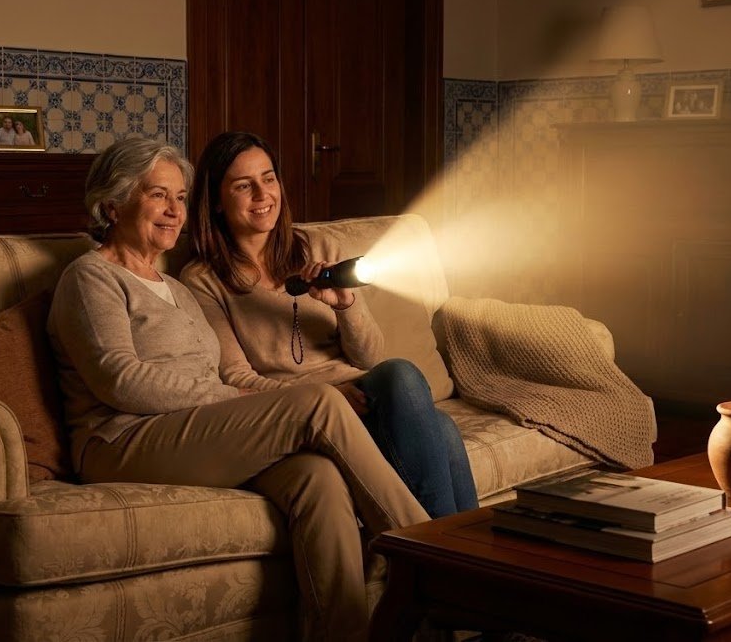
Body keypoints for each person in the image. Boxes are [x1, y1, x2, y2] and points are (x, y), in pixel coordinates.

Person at [47, 137, 427, 642]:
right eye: (158, 195)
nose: (173, 210)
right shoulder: (90, 277)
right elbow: (119, 379)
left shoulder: (176, 289)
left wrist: (241, 400)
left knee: (317, 478)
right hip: (120, 440)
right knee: (316, 402)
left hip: (187, 432)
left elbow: (215, 375)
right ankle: (432, 557)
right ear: (113, 204)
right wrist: (246, 401)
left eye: (181, 197)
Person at [181, 131, 478, 519]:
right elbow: (235, 378)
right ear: (217, 202)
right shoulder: (202, 280)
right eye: (243, 185)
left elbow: (370, 356)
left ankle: (454, 561)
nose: (262, 194)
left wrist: (345, 305)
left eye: (269, 178)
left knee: (428, 410)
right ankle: (444, 558)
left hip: (363, 394)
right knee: (431, 415)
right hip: (304, 412)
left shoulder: (317, 252)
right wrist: (325, 394)